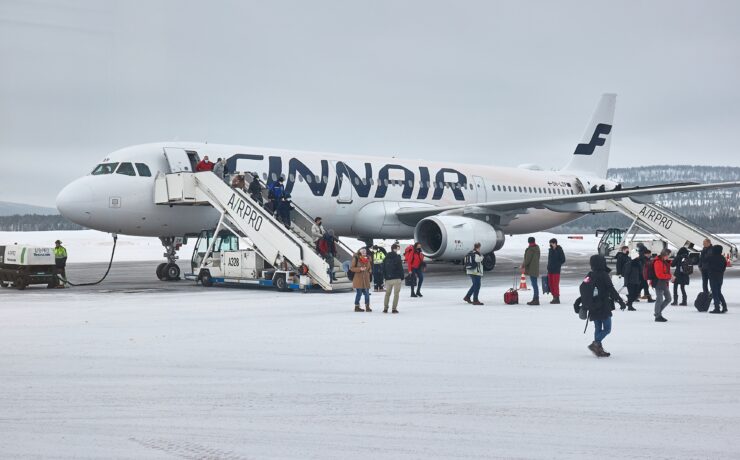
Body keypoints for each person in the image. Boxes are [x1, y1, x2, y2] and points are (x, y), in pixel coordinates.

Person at [585, 255, 626, 358]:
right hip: (603, 305)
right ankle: (596, 344)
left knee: (598, 327)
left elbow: (584, 288)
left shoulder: (590, 274)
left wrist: (582, 302)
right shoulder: (603, 274)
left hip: (593, 306)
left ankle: (598, 349)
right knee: (607, 328)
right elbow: (611, 290)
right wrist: (620, 301)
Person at [652, 248, 674, 322]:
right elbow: (659, 275)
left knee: (668, 299)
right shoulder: (658, 262)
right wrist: (670, 276)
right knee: (659, 299)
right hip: (658, 283)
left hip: (663, 283)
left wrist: (670, 276)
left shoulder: (663, 261)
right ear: (665, 254)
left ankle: (657, 313)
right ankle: (658, 316)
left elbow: (666, 271)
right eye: (668, 255)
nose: (669, 257)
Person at [382, 243, 404, 313]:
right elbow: (400, 268)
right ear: (394, 249)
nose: (398, 250)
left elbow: (383, 269)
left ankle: (385, 308)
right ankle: (394, 309)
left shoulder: (386, 258)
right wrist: (402, 277)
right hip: (397, 278)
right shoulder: (397, 257)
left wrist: (385, 277)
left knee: (387, 294)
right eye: (398, 249)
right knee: (396, 294)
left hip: (388, 279)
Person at [350, 247, 372, 312]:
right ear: (360, 252)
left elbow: (369, 267)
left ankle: (367, 307)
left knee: (367, 294)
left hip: (366, 279)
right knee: (359, 293)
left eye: (365, 252)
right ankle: (356, 307)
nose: (364, 253)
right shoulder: (356, 258)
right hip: (358, 279)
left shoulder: (368, 258)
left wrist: (370, 270)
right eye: (362, 252)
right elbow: (352, 268)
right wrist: (360, 269)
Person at [707, 245, 727, 313]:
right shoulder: (723, 258)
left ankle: (717, 308)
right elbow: (724, 267)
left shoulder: (711, 257)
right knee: (718, 292)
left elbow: (708, 266)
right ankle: (724, 306)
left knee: (715, 293)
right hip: (720, 277)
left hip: (713, 277)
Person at [521, 236, 540, 305]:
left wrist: (523, 265)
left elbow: (527, 260)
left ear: (529, 242)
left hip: (532, 269)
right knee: (535, 284)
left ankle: (536, 299)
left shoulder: (531, 249)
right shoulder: (537, 248)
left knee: (534, 284)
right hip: (535, 268)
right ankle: (536, 298)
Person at [546, 238, 566, 304]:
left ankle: (557, 298)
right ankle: (554, 297)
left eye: (552, 243)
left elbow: (563, 259)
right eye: (550, 243)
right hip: (550, 270)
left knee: (555, 284)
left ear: (555, 243)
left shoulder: (559, 250)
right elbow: (549, 259)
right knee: (551, 284)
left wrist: (557, 265)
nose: (550, 244)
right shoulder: (550, 250)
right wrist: (548, 266)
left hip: (556, 270)